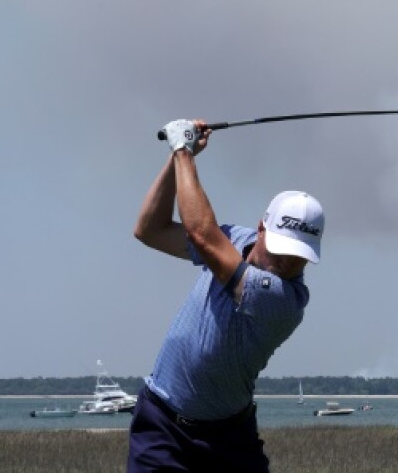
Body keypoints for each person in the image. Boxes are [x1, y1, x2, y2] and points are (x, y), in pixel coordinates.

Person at [128, 118, 324, 473]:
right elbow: (150, 230)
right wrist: (177, 160)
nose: (286, 262)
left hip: (229, 441)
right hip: (162, 426)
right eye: (281, 248)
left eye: (298, 256)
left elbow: (202, 235)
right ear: (262, 227)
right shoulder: (234, 239)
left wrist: (183, 151)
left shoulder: (284, 300)